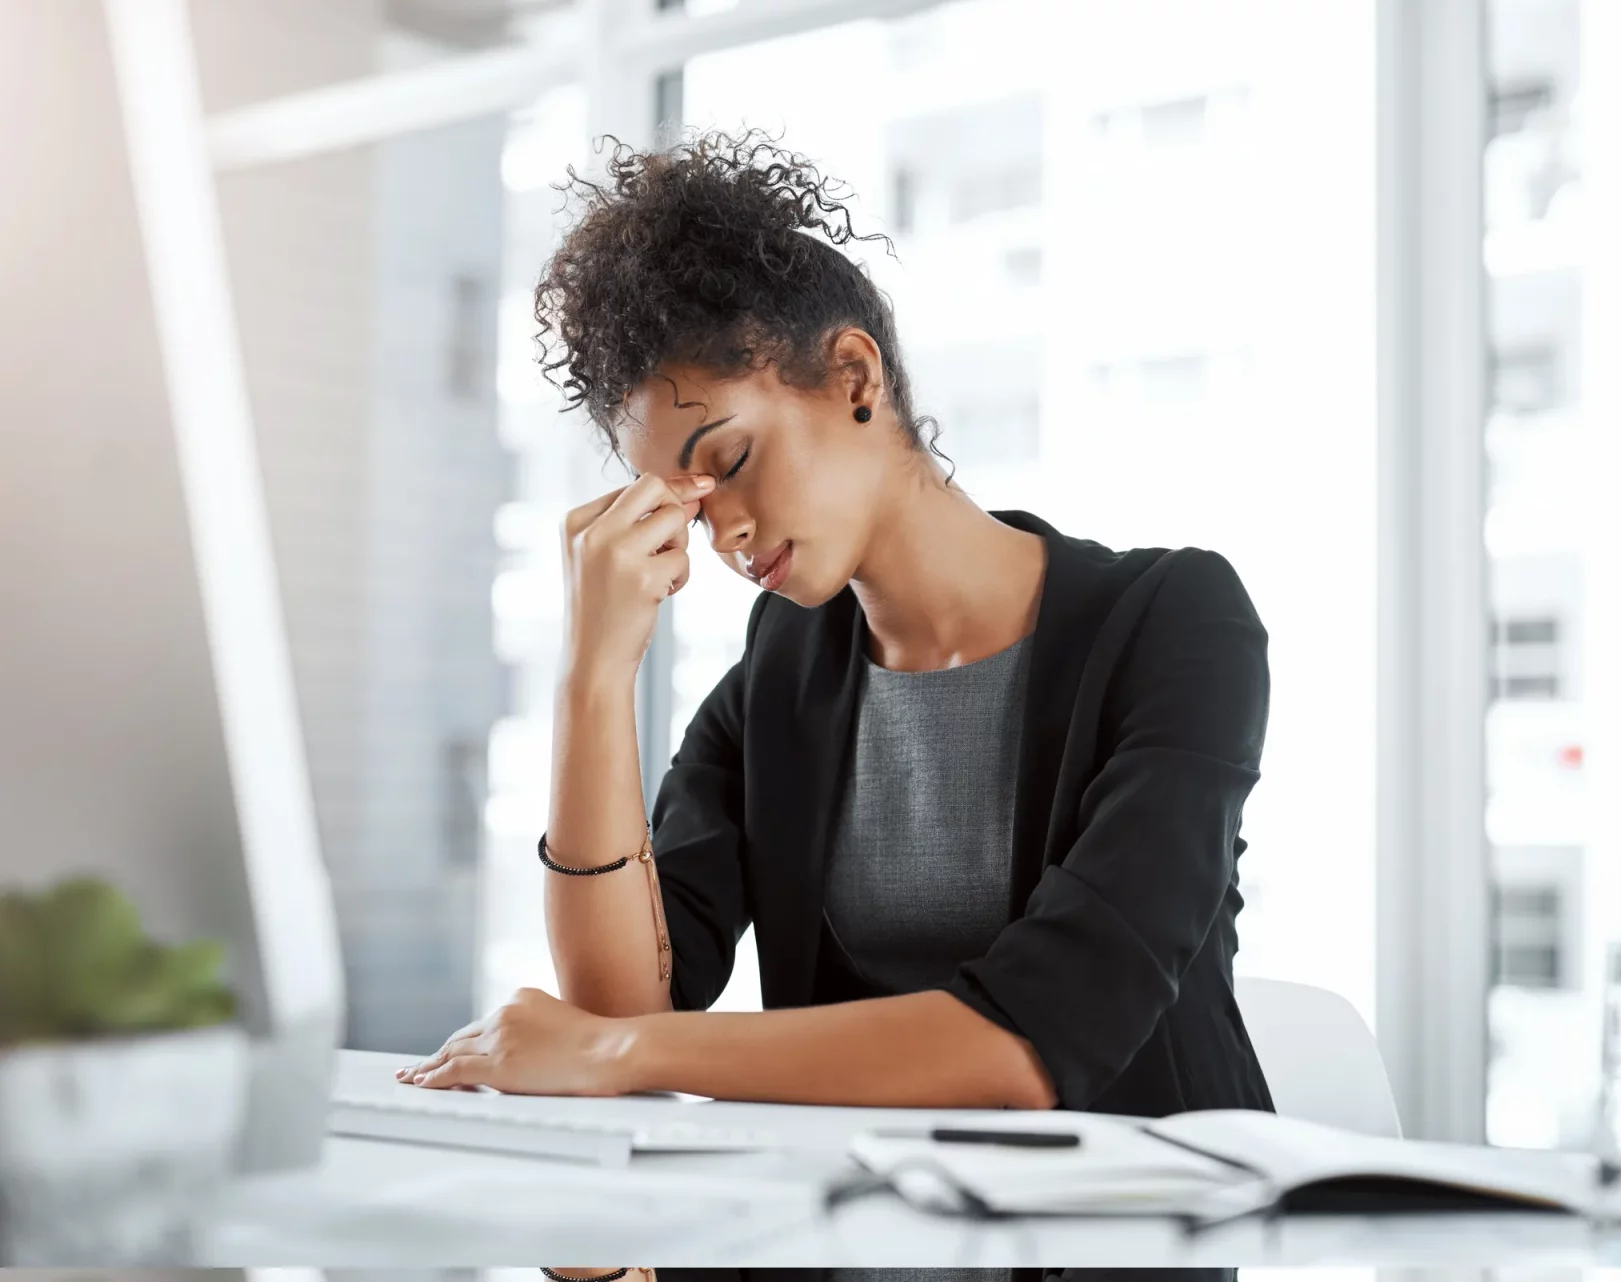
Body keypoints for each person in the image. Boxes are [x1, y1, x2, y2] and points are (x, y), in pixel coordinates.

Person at [398, 129, 1272, 1118]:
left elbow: (1032, 1044)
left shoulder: (1178, 624)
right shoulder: (780, 675)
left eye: (725, 460)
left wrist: (618, 1048)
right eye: (685, 503)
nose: (721, 530)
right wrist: (592, 677)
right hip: (840, 1238)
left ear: (854, 376)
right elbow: (630, 1000)